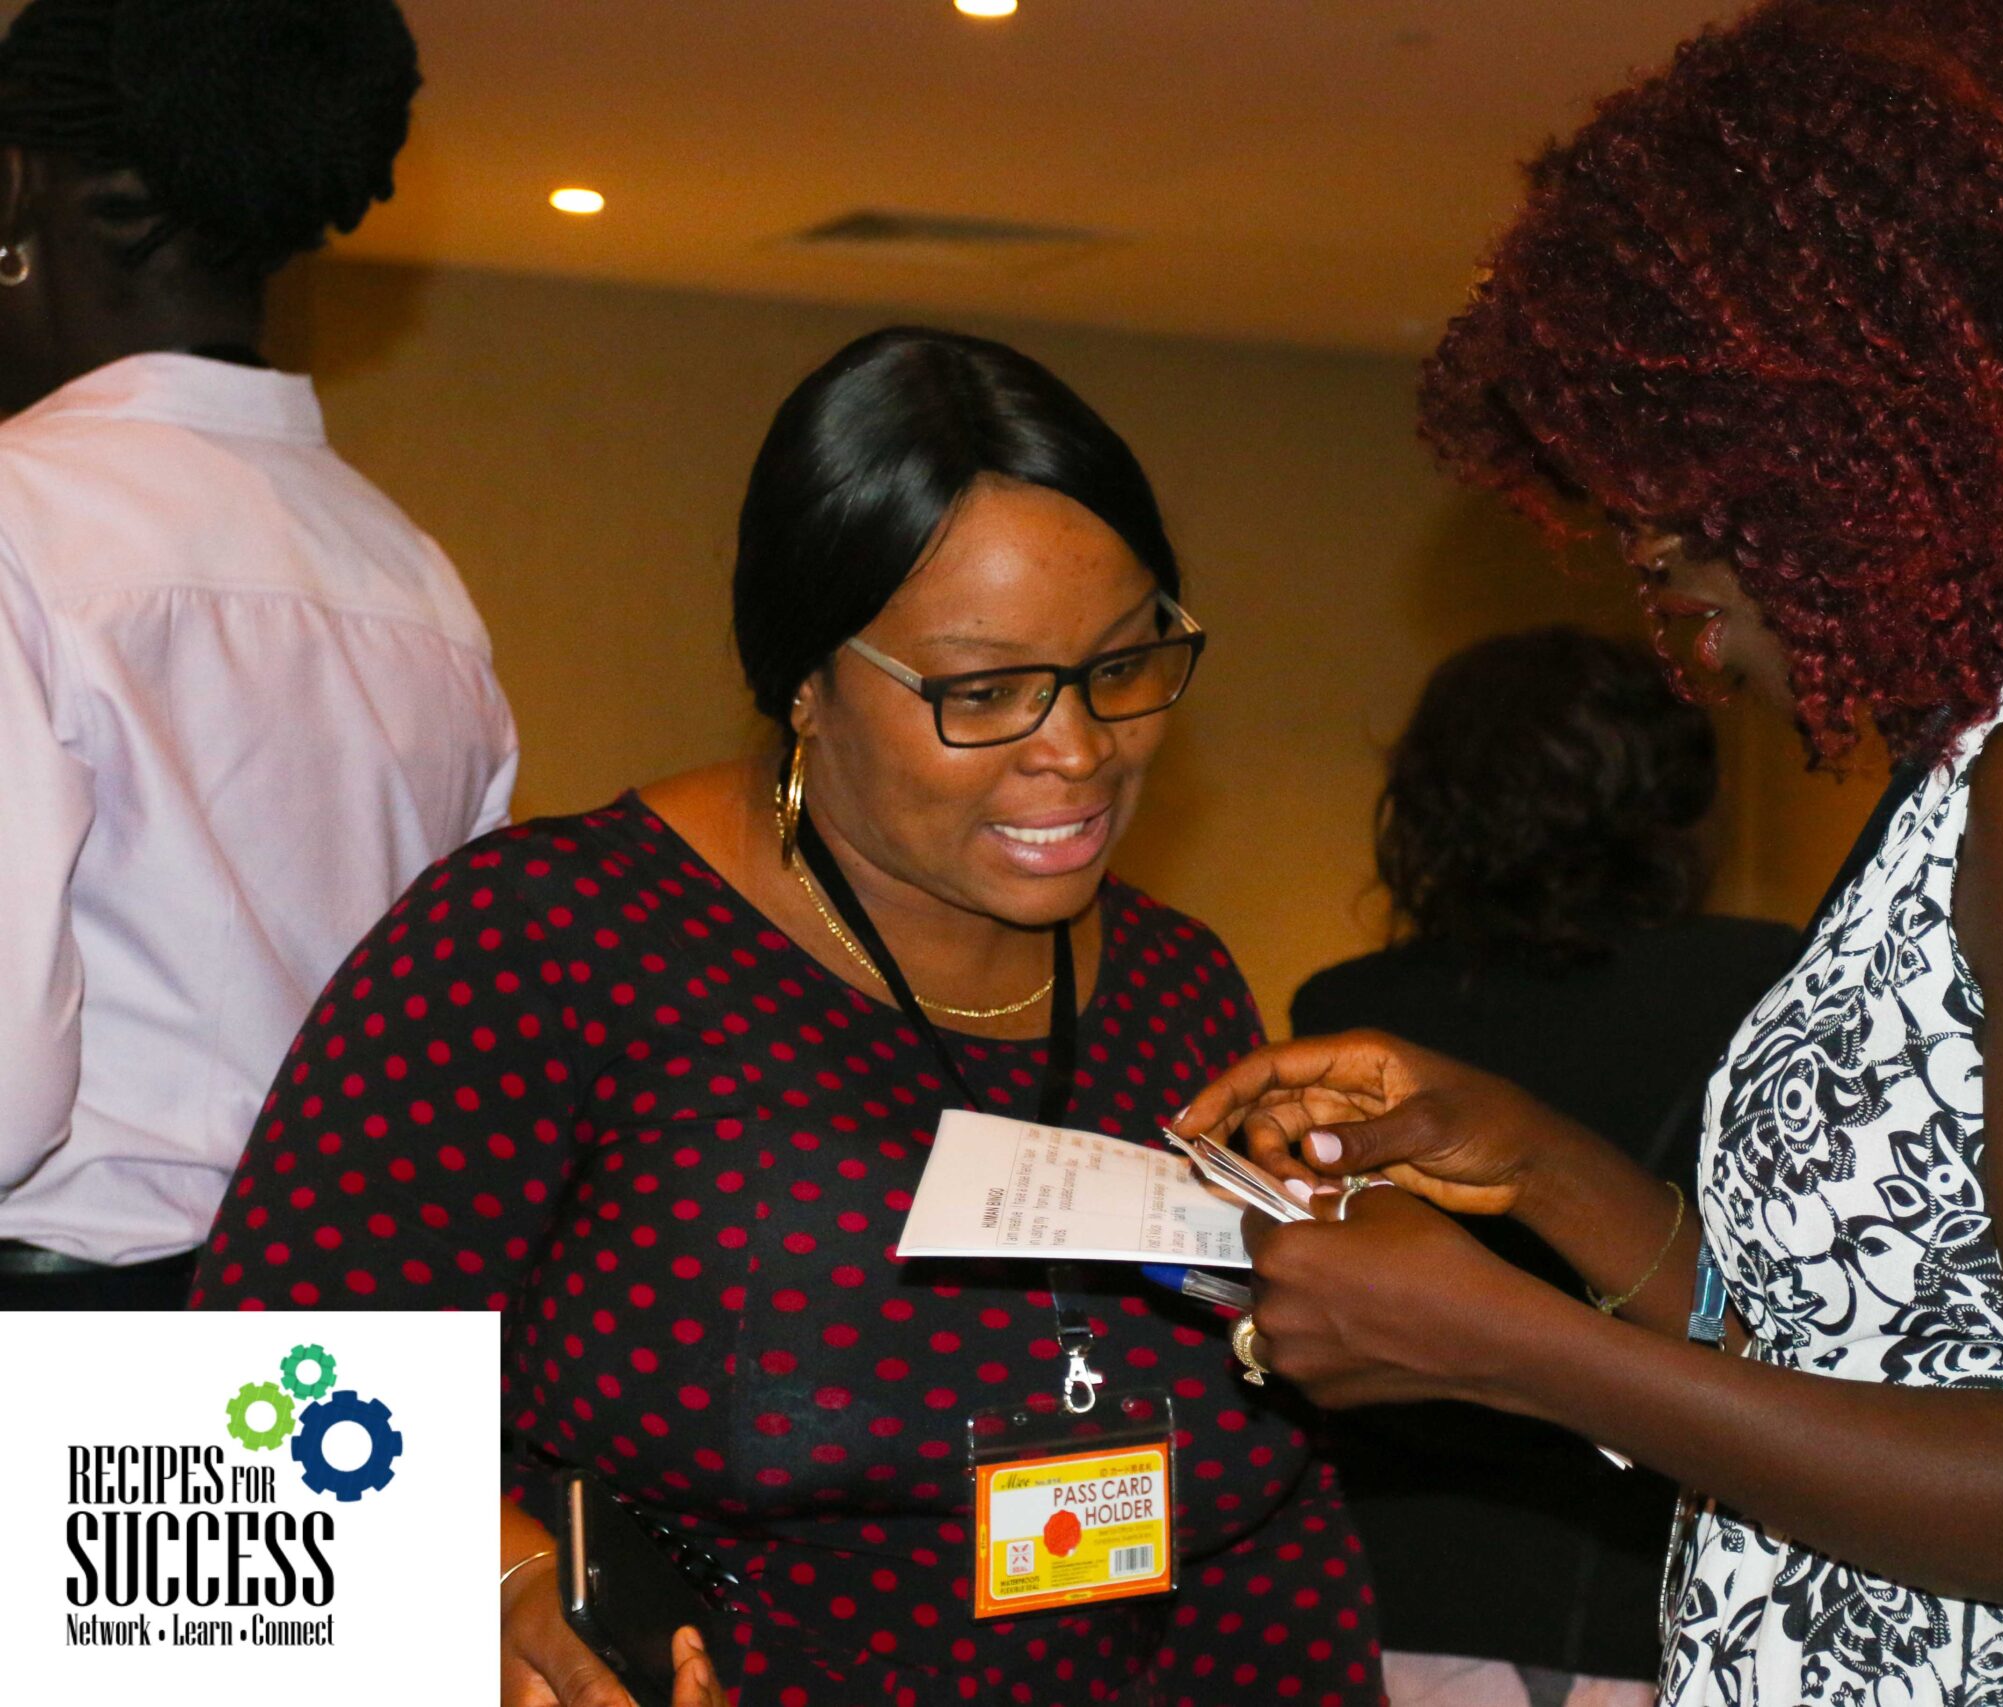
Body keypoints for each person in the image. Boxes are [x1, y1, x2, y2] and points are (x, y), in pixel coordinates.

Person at [1172, 2, 2003, 1703]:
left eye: (1673, 508)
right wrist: (1540, 1166)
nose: (1654, 570)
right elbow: (1855, 1361)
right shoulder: (1985, 760)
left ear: (1844, 439)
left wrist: (1510, 1349)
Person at [191, 327, 1385, 1707]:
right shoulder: (556, 937)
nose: (1076, 749)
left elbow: (1256, 1507)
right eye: (983, 692)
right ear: (805, 679)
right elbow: (247, 1401)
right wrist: (493, 1574)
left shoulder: (1177, 987)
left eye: (1120, 667)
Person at [0, 0, 515, 1309]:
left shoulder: (18, 514)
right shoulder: (413, 572)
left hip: (72, 1317)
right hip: (351, 1316)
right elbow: (455, 1042)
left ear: (17, 187)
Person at [1290, 626, 1799, 1703]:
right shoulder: (1762, 982)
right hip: (1645, 1595)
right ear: (1676, 796)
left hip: (1393, 1590)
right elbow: (1775, 1311)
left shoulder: (1345, 1012)